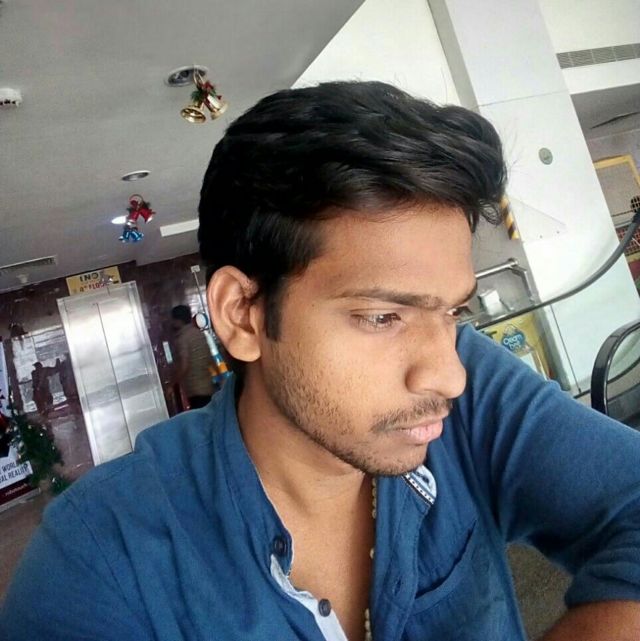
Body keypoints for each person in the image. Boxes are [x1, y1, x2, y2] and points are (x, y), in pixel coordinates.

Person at [2, 81, 640, 641]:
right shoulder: (100, 562)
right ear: (243, 314)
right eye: (382, 317)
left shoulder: (461, 389)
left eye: (453, 311)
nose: (448, 376)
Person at [170, 304, 215, 409]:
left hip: (195, 390)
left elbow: (184, 365)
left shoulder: (182, 339)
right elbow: (210, 358)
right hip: (208, 387)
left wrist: (172, 384)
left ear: (178, 321)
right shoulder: (199, 334)